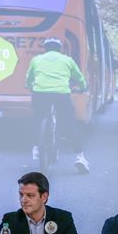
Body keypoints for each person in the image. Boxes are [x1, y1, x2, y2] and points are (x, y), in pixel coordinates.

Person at [26, 37, 89, 172]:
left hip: (40, 94)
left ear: (45, 48)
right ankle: (80, 158)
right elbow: (79, 77)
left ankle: (37, 147)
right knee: (70, 124)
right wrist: (83, 87)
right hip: (61, 94)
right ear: (59, 49)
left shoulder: (36, 59)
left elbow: (29, 78)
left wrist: (29, 86)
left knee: (37, 119)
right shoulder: (67, 60)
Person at [0, 171, 83, 234]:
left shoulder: (63, 218)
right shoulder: (10, 219)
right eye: (21, 195)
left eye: (30, 195)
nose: (23, 200)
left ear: (44, 197)